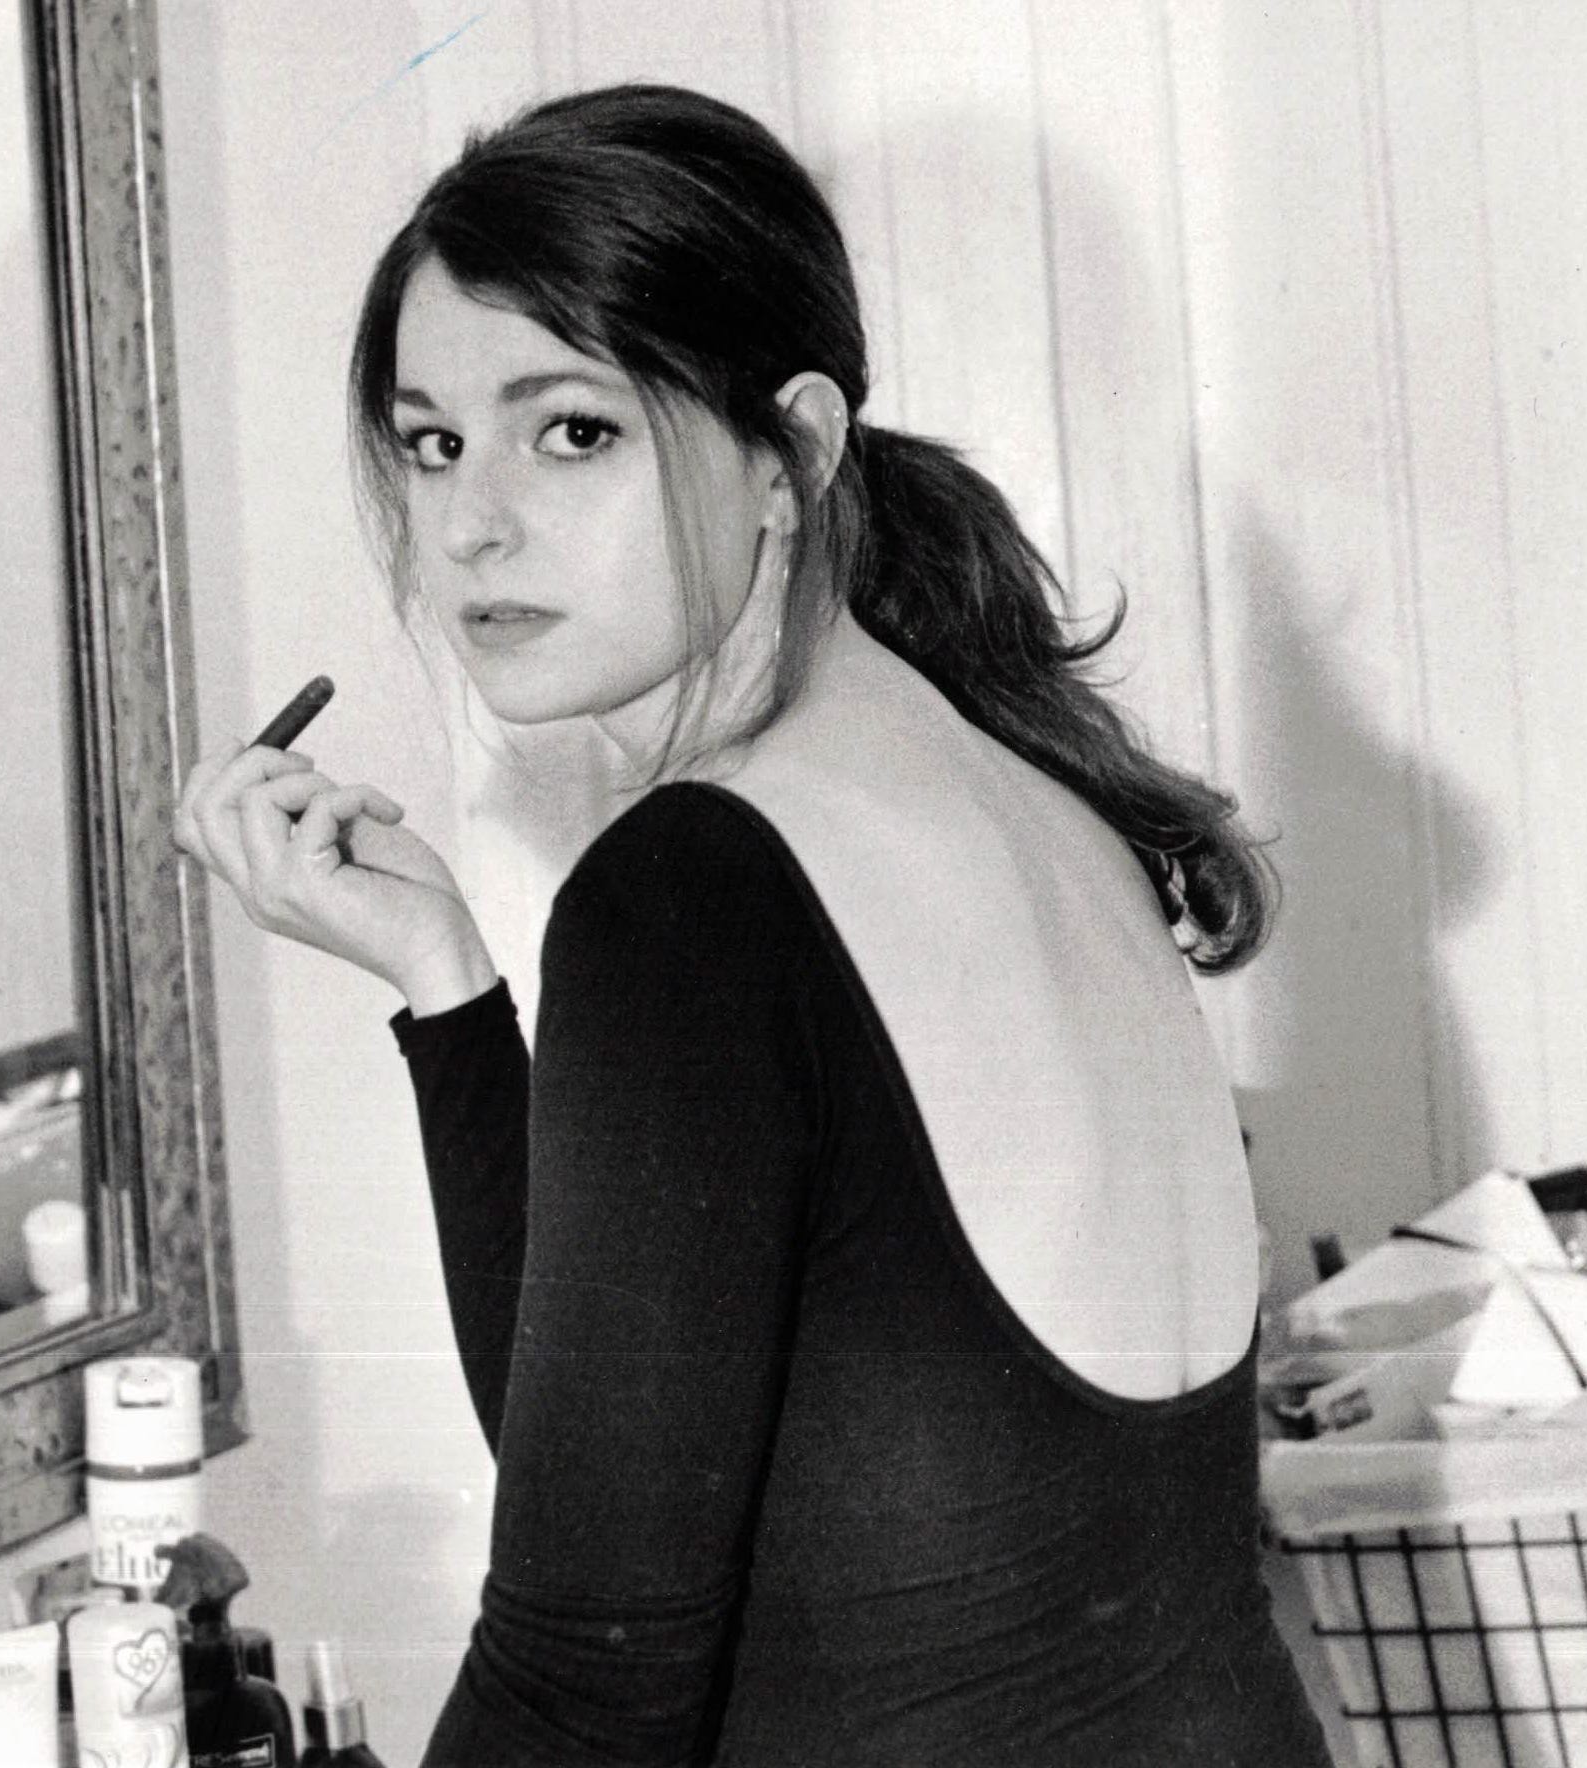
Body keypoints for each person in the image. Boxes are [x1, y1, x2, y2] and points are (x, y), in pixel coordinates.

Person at [174, 83, 1329, 1767]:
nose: (470, 524)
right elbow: (620, 1479)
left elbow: (583, 1687)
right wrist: (446, 985)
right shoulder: (1031, 798)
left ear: (790, 451)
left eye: (572, 430)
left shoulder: (700, 891)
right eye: (434, 443)